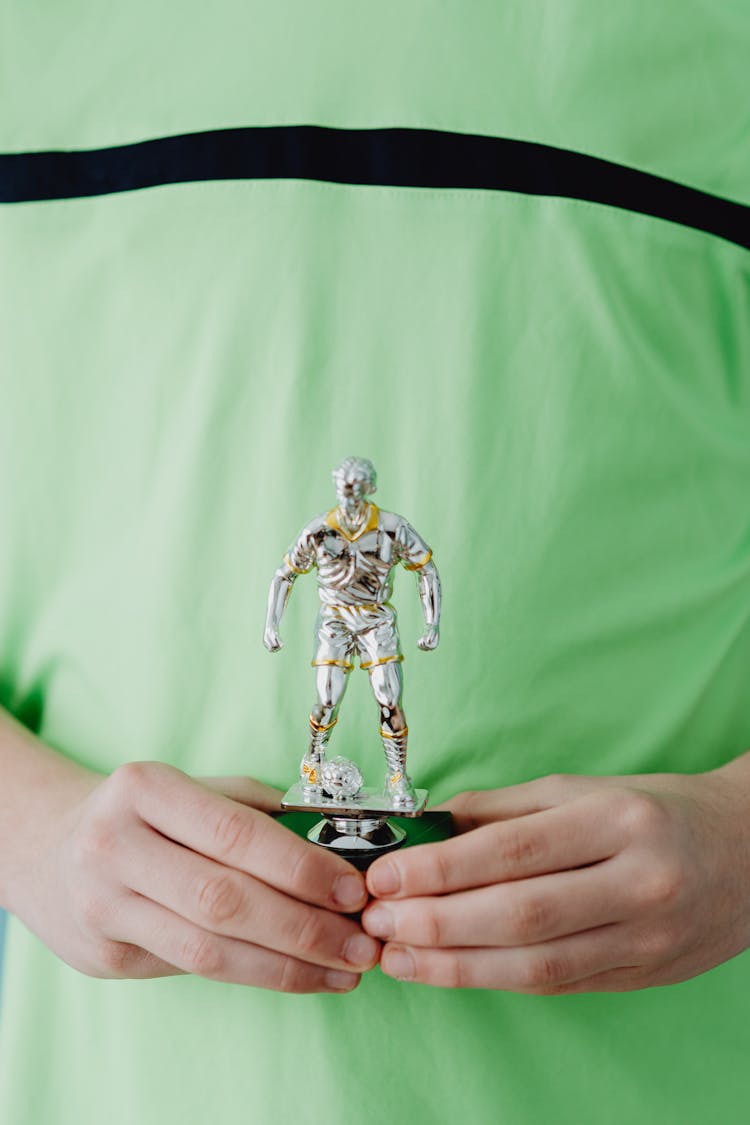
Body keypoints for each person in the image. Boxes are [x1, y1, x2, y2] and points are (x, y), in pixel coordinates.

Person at [1, 4, 749, 1124]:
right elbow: (290, 574)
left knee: (381, 708)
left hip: (653, 1082)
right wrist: (29, 828)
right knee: (328, 706)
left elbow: (423, 567)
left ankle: (388, 779)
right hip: (134, 1085)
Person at [263, 454, 442, 806]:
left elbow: (427, 569)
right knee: (327, 699)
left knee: (390, 698)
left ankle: (397, 775)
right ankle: (313, 758)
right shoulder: (319, 530)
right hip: (335, 619)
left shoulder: (392, 527)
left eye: (358, 487)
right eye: (344, 487)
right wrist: (272, 622)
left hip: (376, 618)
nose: (350, 494)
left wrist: (432, 621)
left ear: (371, 488)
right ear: (336, 487)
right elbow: (284, 574)